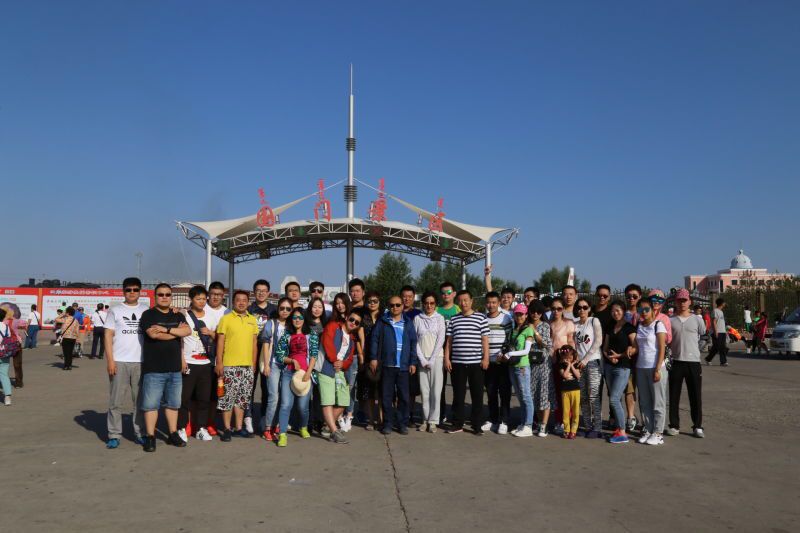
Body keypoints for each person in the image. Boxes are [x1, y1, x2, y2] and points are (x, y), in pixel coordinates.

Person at [138, 283, 191, 452]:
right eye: (161, 294)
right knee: (151, 405)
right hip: (154, 368)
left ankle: (172, 433)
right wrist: (175, 332)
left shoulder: (177, 314)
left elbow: (187, 331)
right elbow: (153, 335)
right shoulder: (148, 315)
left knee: (173, 404)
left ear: (171, 297)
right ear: (155, 296)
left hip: (174, 368)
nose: (164, 297)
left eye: (168, 294)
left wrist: (166, 329)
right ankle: (150, 436)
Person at [105, 277, 149, 449]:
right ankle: (114, 434)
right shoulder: (115, 310)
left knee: (139, 401)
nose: (132, 292)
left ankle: (140, 433)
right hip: (119, 361)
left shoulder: (146, 310)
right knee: (116, 401)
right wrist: (110, 361)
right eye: (128, 289)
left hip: (141, 361)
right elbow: (108, 336)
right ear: (123, 291)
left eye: (135, 289)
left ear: (140, 291)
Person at [371, 295, 419, 435]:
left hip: (403, 366)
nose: (395, 307)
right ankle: (388, 423)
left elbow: (413, 343)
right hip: (388, 365)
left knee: (404, 397)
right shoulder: (383, 321)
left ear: (402, 306)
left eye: (398, 305)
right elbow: (375, 339)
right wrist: (373, 358)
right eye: (392, 305)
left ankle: (402, 423)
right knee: (386, 396)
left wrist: (413, 362)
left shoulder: (408, 322)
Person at [215, 290, 259, 442]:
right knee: (227, 398)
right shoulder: (226, 319)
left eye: (244, 300)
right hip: (229, 366)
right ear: (233, 302)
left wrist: (253, 364)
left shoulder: (252, 320)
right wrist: (219, 362)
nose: (241, 302)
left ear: (248, 302)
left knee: (242, 399)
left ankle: (239, 428)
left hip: (247, 367)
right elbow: (220, 342)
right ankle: (227, 429)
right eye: (238, 300)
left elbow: (254, 344)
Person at [444, 290, 490, 435]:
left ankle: (477, 425)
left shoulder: (481, 318)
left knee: (477, 395)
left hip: (476, 363)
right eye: (460, 300)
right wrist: (447, 358)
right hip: (457, 363)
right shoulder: (454, 319)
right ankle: (457, 423)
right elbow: (449, 341)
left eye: (466, 300)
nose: (463, 303)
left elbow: (485, 340)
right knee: (458, 395)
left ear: (471, 301)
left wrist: (486, 358)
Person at [274, 307, 318, 447]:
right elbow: (279, 355)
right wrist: (292, 361)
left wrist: (308, 372)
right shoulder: (286, 334)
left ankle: (303, 427)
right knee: (285, 405)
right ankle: (282, 434)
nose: (297, 320)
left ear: (304, 319)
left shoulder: (311, 334)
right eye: (294, 317)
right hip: (288, 374)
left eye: (300, 317)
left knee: (302, 407)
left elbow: (314, 355)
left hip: (305, 375)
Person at [178, 285, 217, 442]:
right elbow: (179, 341)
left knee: (204, 398)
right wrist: (181, 360)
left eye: (203, 298)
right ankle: (181, 427)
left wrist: (211, 333)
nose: (201, 301)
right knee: (184, 398)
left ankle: (201, 428)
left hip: (206, 363)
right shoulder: (184, 316)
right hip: (188, 362)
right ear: (191, 299)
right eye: (198, 298)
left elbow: (218, 338)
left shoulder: (211, 317)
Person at [667, 289, 706, 439]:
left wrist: (697, 350)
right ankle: (674, 425)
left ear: (690, 301)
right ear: (675, 302)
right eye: (679, 300)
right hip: (676, 361)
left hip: (693, 362)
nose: (682, 303)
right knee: (674, 395)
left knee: (695, 395)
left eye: (684, 300)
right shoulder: (670, 320)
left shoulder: (697, 319)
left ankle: (697, 426)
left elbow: (704, 336)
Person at [319, 308, 359, 444]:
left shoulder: (352, 339)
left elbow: (350, 359)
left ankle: (327, 427)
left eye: (357, 322)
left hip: (340, 371)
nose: (353, 323)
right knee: (328, 400)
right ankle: (334, 431)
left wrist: (342, 364)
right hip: (326, 368)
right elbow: (327, 342)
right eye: (352, 319)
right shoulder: (333, 326)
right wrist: (335, 360)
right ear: (347, 317)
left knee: (344, 401)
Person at [246, 279, 278, 435]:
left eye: (264, 290)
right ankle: (248, 417)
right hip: (250, 349)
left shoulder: (274, 310)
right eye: (258, 290)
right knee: (249, 385)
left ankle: (265, 418)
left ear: (268, 293)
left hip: (268, 350)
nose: (261, 293)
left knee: (267, 385)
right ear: (254, 292)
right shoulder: (249, 309)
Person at [602, 300, 637, 444]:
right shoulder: (610, 326)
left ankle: (622, 432)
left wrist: (620, 356)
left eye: (618, 310)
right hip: (609, 366)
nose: (615, 313)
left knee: (614, 398)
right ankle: (618, 427)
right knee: (615, 398)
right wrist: (609, 357)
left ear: (623, 311)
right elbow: (605, 347)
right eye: (612, 311)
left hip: (623, 367)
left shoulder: (629, 327)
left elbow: (635, 347)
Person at [259, 297, 293, 441]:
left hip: (288, 365)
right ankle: (268, 427)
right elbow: (266, 343)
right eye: (282, 308)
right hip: (273, 364)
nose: (285, 311)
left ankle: (279, 425)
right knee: (273, 397)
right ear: (278, 309)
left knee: (284, 398)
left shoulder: (293, 325)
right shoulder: (271, 323)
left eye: (288, 309)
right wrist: (266, 364)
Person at [635, 296, 668, 445]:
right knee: (645, 402)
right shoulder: (639, 326)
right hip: (641, 367)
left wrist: (657, 368)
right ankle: (648, 429)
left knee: (658, 402)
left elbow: (662, 348)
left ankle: (658, 432)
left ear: (653, 309)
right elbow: (637, 346)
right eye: (640, 309)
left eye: (646, 309)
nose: (643, 312)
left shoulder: (658, 325)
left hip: (655, 367)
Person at [413, 291, 446, 433]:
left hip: (437, 359)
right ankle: (425, 420)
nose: (429, 305)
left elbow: (441, 339)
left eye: (432, 303)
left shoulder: (440, 318)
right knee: (424, 391)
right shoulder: (417, 319)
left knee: (436, 392)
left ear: (435, 304)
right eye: (426, 303)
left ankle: (433, 421)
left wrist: (432, 359)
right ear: (422, 304)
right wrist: (422, 359)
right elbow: (414, 340)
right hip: (422, 359)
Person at [482, 291, 513, 434]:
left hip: (503, 362)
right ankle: (493, 419)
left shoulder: (506, 318)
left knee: (505, 393)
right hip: (488, 362)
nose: (491, 305)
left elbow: (509, 339)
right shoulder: (483, 319)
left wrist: (504, 354)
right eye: (489, 302)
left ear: (499, 303)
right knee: (491, 392)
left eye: (494, 302)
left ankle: (504, 421)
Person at [503, 303, 535, 437]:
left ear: (526, 315)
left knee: (526, 395)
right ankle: (522, 423)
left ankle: (528, 425)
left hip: (522, 366)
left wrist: (510, 354)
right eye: (517, 314)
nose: (519, 317)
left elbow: (526, 350)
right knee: (520, 396)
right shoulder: (514, 330)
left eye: (521, 314)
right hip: (512, 366)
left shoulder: (528, 330)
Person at [573, 297, 603, 438]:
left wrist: (585, 359)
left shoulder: (593, 321)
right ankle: (587, 426)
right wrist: (577, 360)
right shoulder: (575, 325)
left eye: (585, 307)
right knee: (583, 396)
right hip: (579, 364)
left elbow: (598, 341)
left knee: (593, 395)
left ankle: (598, 427)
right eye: (579, 307)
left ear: (589, 308)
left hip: (592, 361)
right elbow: (574, 345)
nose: (582, 310)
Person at [202, 281, 228, 436]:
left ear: (223, 296)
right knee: (198, 394)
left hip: (219, 360)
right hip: (200, 358)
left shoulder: (227, 312)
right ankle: (194, 423)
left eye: (219, 294)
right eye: (213, 294)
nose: (216, 297)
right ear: (208, 295)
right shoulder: (201, 308)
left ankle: (210, 423)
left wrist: (212, 333)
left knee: (215, 394)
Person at [527, 300, 554, 437]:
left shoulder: (545, 325)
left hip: (543, 364)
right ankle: (538, 422)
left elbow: (545, 344)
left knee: (544, 394)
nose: (535, 314)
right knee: (533, 394)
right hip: (530, 363)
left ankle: (544, 425)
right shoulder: (526, 324)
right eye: (533, 311)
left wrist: (534, 331)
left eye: (538, 312)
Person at [548, 296, 574, 436]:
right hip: (551, 362)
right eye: (553, 309)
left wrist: (570, 359)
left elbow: (571, 342)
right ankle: (559, 420)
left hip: (564, 362)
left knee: (566, 393)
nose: (556, 311)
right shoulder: (549, 324)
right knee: (557, 394)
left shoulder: (568, 323)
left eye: (559, 308)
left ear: (563, 309)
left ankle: (567, 421)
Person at [357, 291, 383, 430]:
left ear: (379, 302)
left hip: (382, 356)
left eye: (375, 301)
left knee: (381, 390)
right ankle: (371, 420)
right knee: (369, 390)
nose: (372, 303)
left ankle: (381, 419)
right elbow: (359, 338)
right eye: (369, 301)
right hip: (367, 356)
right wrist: (361, 356)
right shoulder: (363, 317)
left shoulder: (384, 316)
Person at [436, 281, 461, 424]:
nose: (446, 295)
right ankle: (441, 413)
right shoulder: (436, 310)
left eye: (449, 292)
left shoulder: (458, 309)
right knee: (440, 385)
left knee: (458, 386)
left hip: (456, 352)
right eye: (443, 293)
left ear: (454, 294)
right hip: (440, 352)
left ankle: (456, 413)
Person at [622, 283, 643, 432]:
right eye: (629, 296)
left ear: (640, 297)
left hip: (644, 357)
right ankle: (630, 417)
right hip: (627, 357)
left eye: (634, 296)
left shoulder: (645, 312)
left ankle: (646, 420)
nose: (631, 299)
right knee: (629, 388)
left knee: (644, 390)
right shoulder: (622, 314)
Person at [558, 346, 581, 440]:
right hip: (565, 391)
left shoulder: (576, 364)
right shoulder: (561, 365)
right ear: (562, 357)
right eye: (566, 357)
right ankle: (566, 429)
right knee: (566, 411)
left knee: (575, 411)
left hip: (576, 390)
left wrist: (572, 366)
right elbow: (564, 375)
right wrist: (568, 365)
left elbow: (578, 376)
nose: (568, 359)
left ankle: (573, 430)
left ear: (573, 356)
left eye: (570, 357)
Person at [706, 298, 729, 367]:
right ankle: (708, 359)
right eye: (724, 303)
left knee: (722, 347)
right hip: (717, 331)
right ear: (721, 303)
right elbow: (713, 322)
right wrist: (715, 332)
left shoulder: (721, 312)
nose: (725, 304)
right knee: (716, 347)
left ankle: (723, 362)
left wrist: (725, 331)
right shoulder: (715, 311)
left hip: (722, 331)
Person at [0, 309, 16, 405]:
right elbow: (8, 339)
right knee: (4, 375)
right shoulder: (6, 327)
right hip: (4, 353)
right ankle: (7, 397)